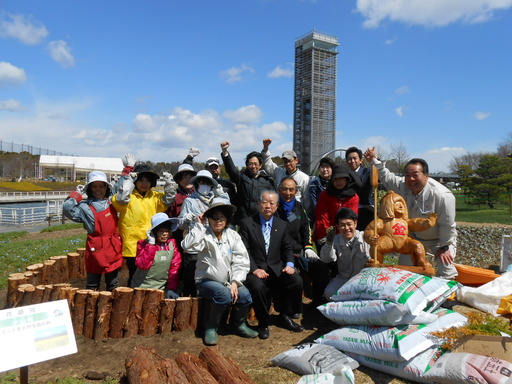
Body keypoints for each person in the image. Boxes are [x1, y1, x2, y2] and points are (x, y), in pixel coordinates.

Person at [364, 147, 458, 279]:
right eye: (407, 175)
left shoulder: (443, 196)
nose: (411, 179)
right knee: (405, 272)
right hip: (412, 237)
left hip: (439, 240)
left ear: (426, 176)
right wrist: (373, 159)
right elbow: (386, 176)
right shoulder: (403, 185)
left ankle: (449, 295)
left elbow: (447, 225)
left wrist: (445, 247)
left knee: (446, 269)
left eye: (415, 175)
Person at [182, 197, 258, 345]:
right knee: (223, 295)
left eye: (221, 218)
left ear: (227, 219)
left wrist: (235, 281)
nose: (218, 221)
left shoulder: (233, 235)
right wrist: (198, 226)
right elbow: (187, 246)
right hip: (206, 280)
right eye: (214, 217)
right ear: (208, 219)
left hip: (229, 281)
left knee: (245, 295)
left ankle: (239, 325)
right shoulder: (202, 234)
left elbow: (241, 260)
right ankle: (211, 328)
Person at [238, 190, 304, 339]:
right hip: (255, 268)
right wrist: (254, 269)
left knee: (296, 280)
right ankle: (263, 322)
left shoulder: (282, 225)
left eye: (272, 203)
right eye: (265, 202)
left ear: (276, 206)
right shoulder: (247, 224)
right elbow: (244, 251)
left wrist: (289, 264)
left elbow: (287, 248)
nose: (268, 205)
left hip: (276, 267)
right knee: (257, 286)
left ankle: (285, 314)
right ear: (259, 204)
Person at [112, 156, 177, 287]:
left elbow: (168, 200)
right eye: (140, 179)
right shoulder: (126, 198)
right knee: (135, 274)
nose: (144, 183)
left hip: (151, 243)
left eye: (148, 180)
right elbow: (120, 199)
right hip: (132, 245)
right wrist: (128, 178)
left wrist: (170, 184)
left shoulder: (155, 197)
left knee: (150, 274)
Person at [63, 171, 122, 291]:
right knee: (92, 284)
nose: (98, 189)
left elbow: (123, 192)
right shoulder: (84, 207)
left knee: (113, 284)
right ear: (89, 188)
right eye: (94, 186)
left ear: (106, 188)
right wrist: (76, 194)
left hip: (112, 245)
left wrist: (126, 172)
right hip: (95, 247)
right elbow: (67, 208)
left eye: (101, 186)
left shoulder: (113, 202)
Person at [276, 177, 329, 305]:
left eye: (291, 189)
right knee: (293, 276)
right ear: (279, 190)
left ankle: (316, 301)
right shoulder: (274, 208)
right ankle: (291, 305)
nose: (287, 193)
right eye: (284, 189)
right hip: (280, 252)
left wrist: (307, 246)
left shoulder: (298, 207)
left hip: (298, 250)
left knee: (321, 268)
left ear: (296, 191)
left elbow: (305, 228)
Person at [178, 169, 229, 296]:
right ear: (196, 185)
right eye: (201, 182)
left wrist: (222, 195)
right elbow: (180, 225)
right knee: (191, 282)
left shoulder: (216, 201)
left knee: (210, 281)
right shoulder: (190, 201)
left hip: (213, 246)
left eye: (207, 182)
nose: (204, 185)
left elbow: (228, 213)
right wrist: (187, 219)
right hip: (195, 248)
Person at [320, 208, 372, 300]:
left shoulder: (366, 238)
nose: (346, 228)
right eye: (342, 225)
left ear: (355, 223)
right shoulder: (335, 239)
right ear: (337, 226)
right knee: (329, 293)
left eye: (349, 224)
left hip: (364, 279)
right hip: (344, 278)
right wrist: (329, 242)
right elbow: (326, 259)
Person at [220, 141, 275, 223]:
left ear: (260, 165)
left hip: (261, 220)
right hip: (244, 220)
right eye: (250, 164)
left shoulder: (268, 181)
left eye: (255, 164)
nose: (253, 166)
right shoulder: (241, 177)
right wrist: (225, 152)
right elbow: (231, 169)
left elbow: (273, 200)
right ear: (247, 165)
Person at [131, 213, 181, 299]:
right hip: (141, 288)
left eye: (167, 231)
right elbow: (143, 265)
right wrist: (151, 245)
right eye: (161, 231)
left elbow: (174, 269)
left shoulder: (172, 244)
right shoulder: (143, 244)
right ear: (155, 232)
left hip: (161, 289)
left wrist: (171, 289)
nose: (165, 234)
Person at [314, 163, 361, 246]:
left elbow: (350, 218)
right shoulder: (325, 194)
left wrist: (343, 236)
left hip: (346, 234)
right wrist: (327, 236)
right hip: (326, 236)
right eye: (335, 179)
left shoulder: (353, 197)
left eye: (341, 179)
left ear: (347, 179)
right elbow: (322, 217)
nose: (338, 182)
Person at [261, 138, 310, 209]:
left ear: (296, 160)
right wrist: (265, 147)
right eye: (285, 161)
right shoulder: (279, 172)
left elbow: (307, 200)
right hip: (280, 209)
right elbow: (267, 163)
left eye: (290, 161)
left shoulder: (304, 178)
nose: (287, 164)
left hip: (296, 211)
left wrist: (303, 214)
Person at [166, 162, 197, 253]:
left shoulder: (199, 194)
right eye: (184, 177)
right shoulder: (174, 196)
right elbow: (170, 216)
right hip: (178, 235)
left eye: (190, 177)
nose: (188, 180)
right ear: (179, 180)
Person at [345, 146, 374, 231]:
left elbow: (378, 174)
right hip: (350, 211)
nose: (352, 161)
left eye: (355, 158)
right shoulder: (345, 175)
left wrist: (374, 159)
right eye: (349, 159)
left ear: (361, 160)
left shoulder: (367, 172)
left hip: (366, 211)